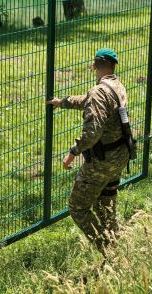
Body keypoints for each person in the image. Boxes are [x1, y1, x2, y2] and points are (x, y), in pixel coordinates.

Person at [46, 47, 130, 253]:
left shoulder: (98, 92)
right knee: (105, 204)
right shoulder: (116, 86)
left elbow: (92, 132)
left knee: (77, 207)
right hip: (120, 156)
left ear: (94, 65)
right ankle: (116, 248)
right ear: (114, 66)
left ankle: (108, 249)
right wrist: (62, 102)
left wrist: (73, 152)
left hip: (103, 161)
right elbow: (88, 101)